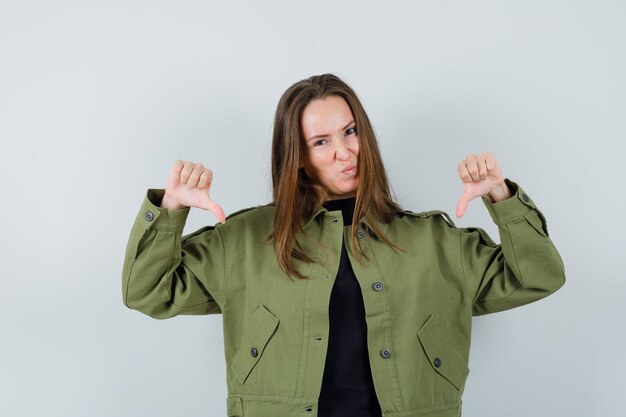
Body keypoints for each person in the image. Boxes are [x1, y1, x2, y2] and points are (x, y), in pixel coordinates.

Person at [122, 73, 565, 417]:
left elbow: (539, 276)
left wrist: (502, 199)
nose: (344, 152)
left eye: (350, 132)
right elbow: (146, 290)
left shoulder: (434, 242)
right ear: (297, 157)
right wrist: (170, 210)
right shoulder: (245, 241)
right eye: (321, 141)